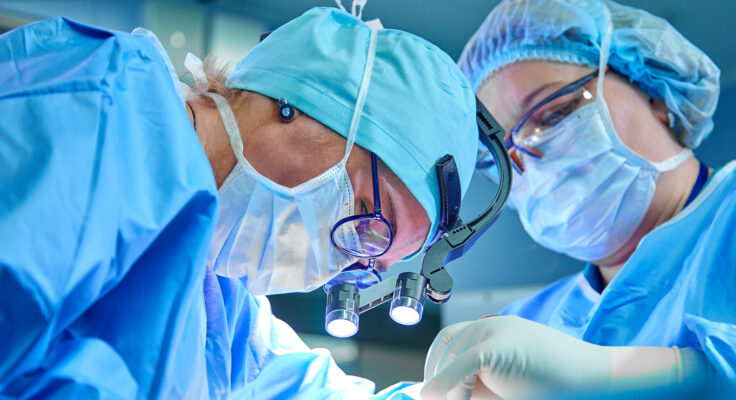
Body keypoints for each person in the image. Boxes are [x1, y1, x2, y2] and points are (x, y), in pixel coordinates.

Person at [0, 5, 479, 399]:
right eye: (371, 220)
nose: (338, 265)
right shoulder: (95, 111)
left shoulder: (220, 310)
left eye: (367, 260)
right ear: (303, 103)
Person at [421, 0, 736, 398]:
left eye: (553, 114)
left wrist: (662, 375)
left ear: (655, 97)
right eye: (503, 156)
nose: (530, 159)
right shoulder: (526, 325)